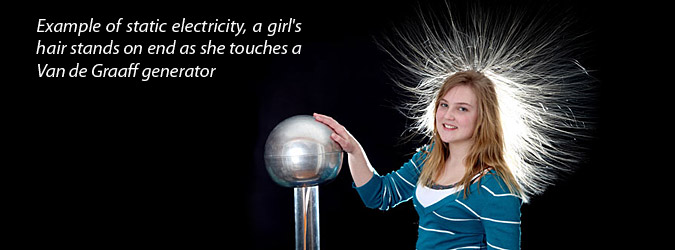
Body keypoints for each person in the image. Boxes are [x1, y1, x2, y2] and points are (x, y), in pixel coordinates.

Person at [314, 70, 522, 249]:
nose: (447, 116)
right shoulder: (428, 158)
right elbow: (380, 196)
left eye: (462, 108)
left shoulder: (496, 187)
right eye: (444, 105)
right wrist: (353, 150)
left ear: (484, 118)